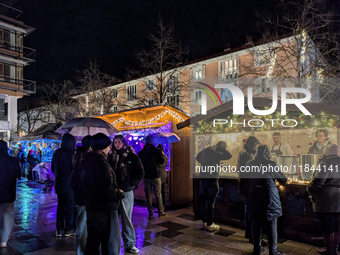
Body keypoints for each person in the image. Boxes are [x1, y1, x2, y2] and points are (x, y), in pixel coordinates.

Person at [82, 133, 124, 255]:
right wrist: (120, 193)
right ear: (102, 147)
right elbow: (109, 189)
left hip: (91, 206)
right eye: (108, 146)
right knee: (103, 240)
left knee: (92, 240)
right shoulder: (102, 165)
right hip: (102, 208)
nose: (110, 148)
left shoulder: (85, 161)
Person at [246, 145, 287, 255]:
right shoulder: (271, 164)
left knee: (256, 222)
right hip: (269, 197)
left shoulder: (249, 164)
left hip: (254, 196)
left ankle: (257, 248)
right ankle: (273, 251)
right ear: (267, 153)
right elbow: (283, 179)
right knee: (272, 224)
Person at [108, 135, 144, 254]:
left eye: (119, 142)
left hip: (126, 191)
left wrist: (131, 183)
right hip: (113, 191)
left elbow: (140, 172)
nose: (117, 144)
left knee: (126, 218)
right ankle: (114, 244)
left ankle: (130, 243)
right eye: (115, 142)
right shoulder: (110, 156)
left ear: (124, 143)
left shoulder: (131, 156)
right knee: (113, 218)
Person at [307, 144, 340, 255]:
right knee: (337, 227)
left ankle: (329, 250)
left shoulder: (325, 164)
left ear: (325, 152)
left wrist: (309, 189)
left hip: (327, 201)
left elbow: (317, 183)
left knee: (327, 228)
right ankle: (334, 249)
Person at [196, 141, 232, 231]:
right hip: (212, 180)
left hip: (203, 178)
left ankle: (204, 221)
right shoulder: (216, 154)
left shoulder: (206, 151)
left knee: (204, 201)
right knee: (210, 203)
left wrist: (209, 149)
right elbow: (229, 155)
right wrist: (219, 149)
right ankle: (210, 223)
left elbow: (197, 157)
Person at [70, 135, 92, 255]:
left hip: (80, 196)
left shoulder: (78, 156)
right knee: (82, 226)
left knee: (83, 224)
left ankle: (82, 249)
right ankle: (80, 251)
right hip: (84, 197)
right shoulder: (83, 159)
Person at [51, 133, 76, 237]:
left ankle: (58, 228)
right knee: (70, 206)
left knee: (60, 206)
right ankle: (68, 229)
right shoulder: (73, 153)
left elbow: (53, 168)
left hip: (59, 183)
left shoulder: (57, 153)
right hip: (70, 184)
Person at [237, 136, 261, 243]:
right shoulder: (248, 155)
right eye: (256, 145)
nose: (257, 147)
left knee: (249, 210)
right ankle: (252, 237)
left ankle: (248, 233)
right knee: (252, 210)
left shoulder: (243, 153)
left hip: (245, 184)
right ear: (252, 145)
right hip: (249, 185)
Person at [138, 136, 166, 219]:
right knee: (158, 194)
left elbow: (139, 165)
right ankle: (160, 212)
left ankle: (150, 213)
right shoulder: (157, 151)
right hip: (156, 175)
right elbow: (161, 161)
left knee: (148, 195)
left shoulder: (141, 153)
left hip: (146, 176)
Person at [0, 140, 21, 248]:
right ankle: (3, 239)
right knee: (7, 216)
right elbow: (18, 174)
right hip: (8, 192)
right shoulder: (13, 161)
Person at [157, 144, 168, 212]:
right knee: (162, 190)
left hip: (159, 175)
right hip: (164, 174)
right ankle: (162, 206)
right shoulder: (165, 157)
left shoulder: (159, 157)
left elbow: (159, 165)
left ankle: (161, 206)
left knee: (159, 191)